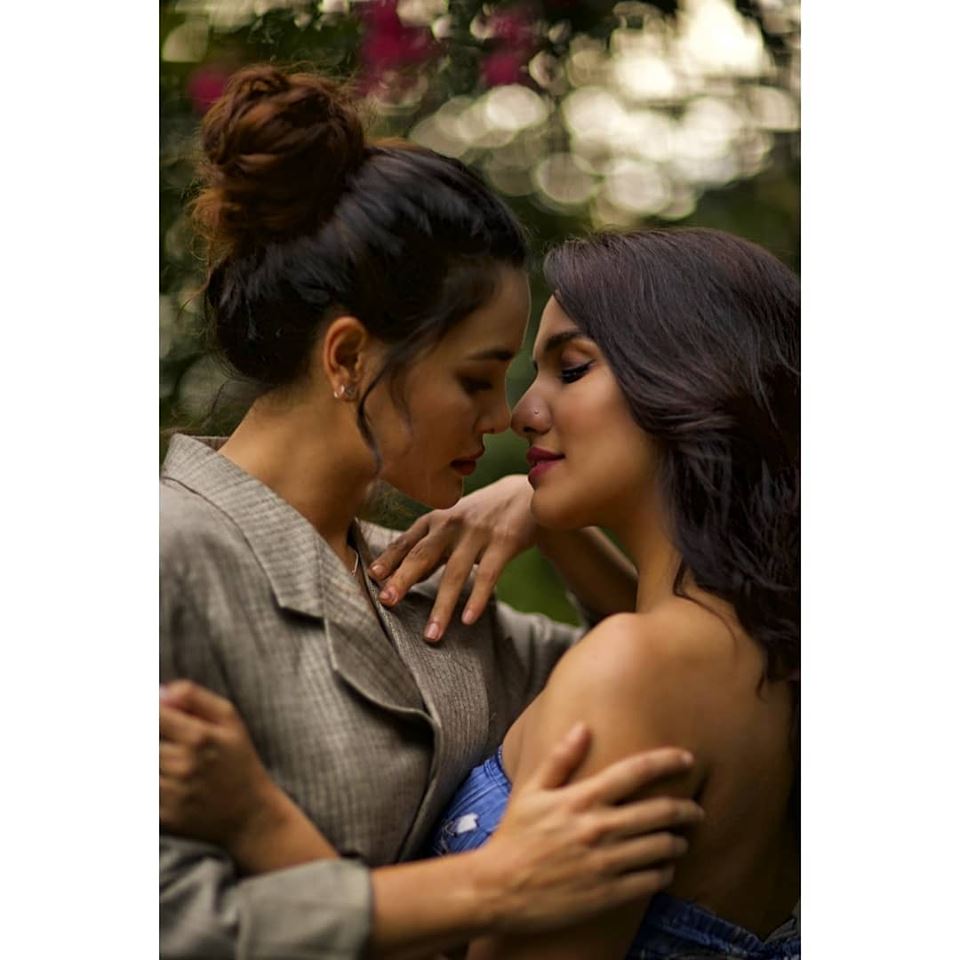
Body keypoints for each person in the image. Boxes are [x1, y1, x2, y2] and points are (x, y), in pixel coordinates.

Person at [159, 65, 703, 960]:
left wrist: (553, 518)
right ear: (347, 358)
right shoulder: (168, 556)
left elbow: (675, 668)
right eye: (476, 379)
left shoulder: (419, 577)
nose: (503, 417)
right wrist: (491, 885)